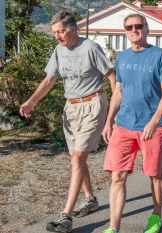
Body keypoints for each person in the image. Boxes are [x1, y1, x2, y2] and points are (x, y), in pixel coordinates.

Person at [18, 12, 116, 232]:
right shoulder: (59, 50)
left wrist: (113, 112)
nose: (58, 36)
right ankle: (90, 198)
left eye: (61, 31)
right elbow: (49, 79)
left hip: (93, 104)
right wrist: (31, 102)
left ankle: (66, 216)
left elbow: (112, 76)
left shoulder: (90, 48)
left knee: (78, 157)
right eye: (55, 33)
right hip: (71, 108)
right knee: (76, 158)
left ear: (73, 29)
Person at [101, 13, 162, 233]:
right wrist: (108, 122)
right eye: (129, 27)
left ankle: (156, 216)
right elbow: (118, 92)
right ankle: (113, 227)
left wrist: (154, 122)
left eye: (138, 26)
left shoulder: (160, 56)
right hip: (123, 125)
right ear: (125, 31)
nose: (133, 30)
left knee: (154, 173)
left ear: (147, 28)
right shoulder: (122, 57)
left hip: (152, 127)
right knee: (117, 176)